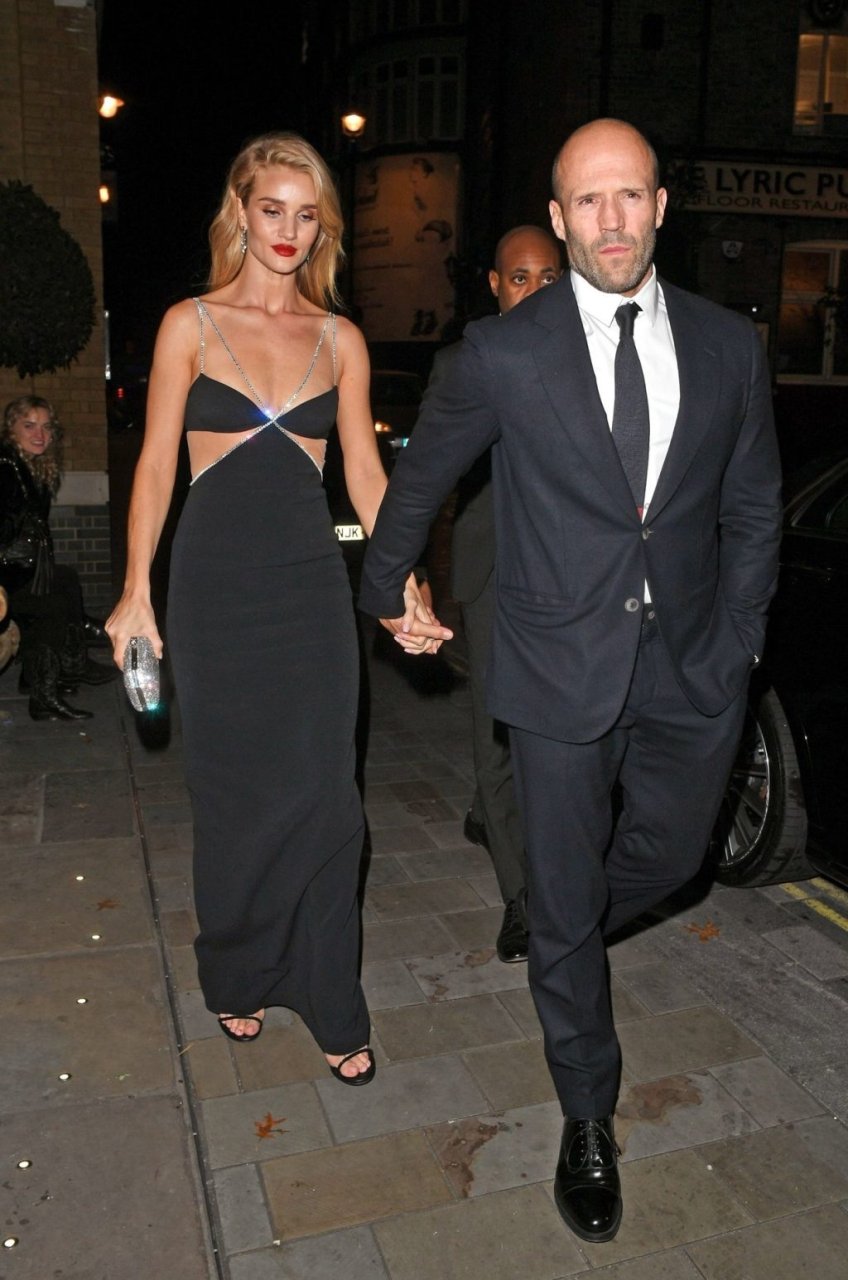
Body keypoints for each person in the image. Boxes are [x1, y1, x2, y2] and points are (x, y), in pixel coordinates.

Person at [357, 118, 782, 1240]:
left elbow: (751, 510)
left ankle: (558, 924)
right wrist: (386, 585)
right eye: (588, 201)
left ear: (659, 205)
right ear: (558, 218)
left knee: (673, 860)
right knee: (562, 887)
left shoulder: (726, 346)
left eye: (629, 195)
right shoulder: (505, 353)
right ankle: (587, 1113)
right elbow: (423, 476)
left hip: (692, 666)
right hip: (554, 669)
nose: (611, 220)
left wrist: (739, 639)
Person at [106, 132, 437, 1085]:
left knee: (329, 797)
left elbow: (367, 475)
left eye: (307, 214)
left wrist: (404, 579)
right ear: (240, 214)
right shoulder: (189, 325)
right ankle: (239, 968)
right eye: (271, 209)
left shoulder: (339, 340)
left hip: (309, 589)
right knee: (234, 796)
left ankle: (331, 993)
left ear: (322, 227)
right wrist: (136, 589)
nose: (289, 230)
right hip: (213, 587)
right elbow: (156, 465)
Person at [444, 225, 563, 963]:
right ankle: (521, 899)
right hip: (493, 569)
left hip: (569, 573)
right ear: (495, 285)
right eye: (520, 279)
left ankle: (495, 819)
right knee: (495, 734)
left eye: (548, 279)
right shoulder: (464, 362)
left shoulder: (595, 355)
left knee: (556, 733)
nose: (535, 292)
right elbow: (428, 471)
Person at [0, 396, 116, 722]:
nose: (40, 435)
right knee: (52, 604)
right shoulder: (6, 468)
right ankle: (44, 695)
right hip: (6, 580)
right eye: (29, 426)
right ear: (11, 429)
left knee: (65, 579)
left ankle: (67, 667)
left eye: (46, 427)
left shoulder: (28, 466)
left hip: (22, 571)